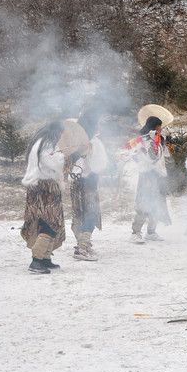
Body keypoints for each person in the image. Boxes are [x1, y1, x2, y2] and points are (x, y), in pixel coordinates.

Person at [21, 121, 66, 273]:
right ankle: (36, 260)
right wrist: (62, 156)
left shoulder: (41, 142)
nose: (60, 136)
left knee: (47, 223)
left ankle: (45, 258)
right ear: (56, 131)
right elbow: (53, 163)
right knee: (50, 223)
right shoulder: (47, 144)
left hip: (40, 187)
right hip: (46, 188)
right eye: (60, 133)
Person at [69, 111, 107, 261]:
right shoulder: (94, 143)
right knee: (91, 214)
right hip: (89, 182)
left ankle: (82, 244)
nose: (100, 126)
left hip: (75, 182)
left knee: (79, 214)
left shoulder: (74, 141)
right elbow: (100, 165)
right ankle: (82, 247)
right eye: (98, 123)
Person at [129, 116, 170, 243]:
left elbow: (165, 155)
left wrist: (164, 141)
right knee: (144, 204)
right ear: (153, 126)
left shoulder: (158, 139)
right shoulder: (142, 140)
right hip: (147, 176)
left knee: (157, 204)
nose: (161, 128)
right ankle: (136, 232)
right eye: (159, 126)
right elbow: (152, 158)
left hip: (159, 176)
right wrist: (154, 142)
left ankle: (151, 231)